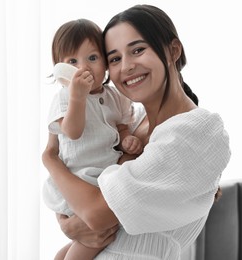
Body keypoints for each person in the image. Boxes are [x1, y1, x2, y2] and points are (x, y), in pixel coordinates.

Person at [42, 5, 231, 259]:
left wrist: (50, 159)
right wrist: (67, 222)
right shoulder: (133, 124)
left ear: (173, 50)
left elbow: (95, 213)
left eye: (138, 50)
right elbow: (81, 181)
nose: (127, 66)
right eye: (115, 58)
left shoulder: (195, 131)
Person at [43, 19, 143, 260]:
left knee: (82, 242)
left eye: (92, 58)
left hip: (104, 177)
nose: (83, 68)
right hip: (80, 179)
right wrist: (78, 97)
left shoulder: (115, 97)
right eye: (72, 62)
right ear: (59, 68)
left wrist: (127, 139)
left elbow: (119, 127)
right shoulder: (65, 97)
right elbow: (72, 131)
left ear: (106, 63)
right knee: (90, 242)